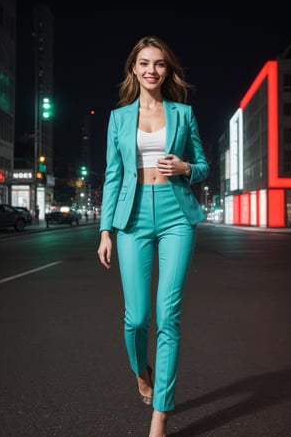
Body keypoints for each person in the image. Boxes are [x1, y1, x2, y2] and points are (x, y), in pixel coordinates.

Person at [97, 35, 209, 437]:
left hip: (177, 213)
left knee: (168, 316)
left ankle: (160, 412)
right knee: (136, 317)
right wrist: (105, 229)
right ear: (133, 68)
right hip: (133, 216)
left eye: (159, 64)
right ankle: (139, 371)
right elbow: (112, 176)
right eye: (144, 63)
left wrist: (185, 168)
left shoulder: (183, 113)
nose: (151, 70)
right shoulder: (118, 118)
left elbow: (203, 167)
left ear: (168, 70)